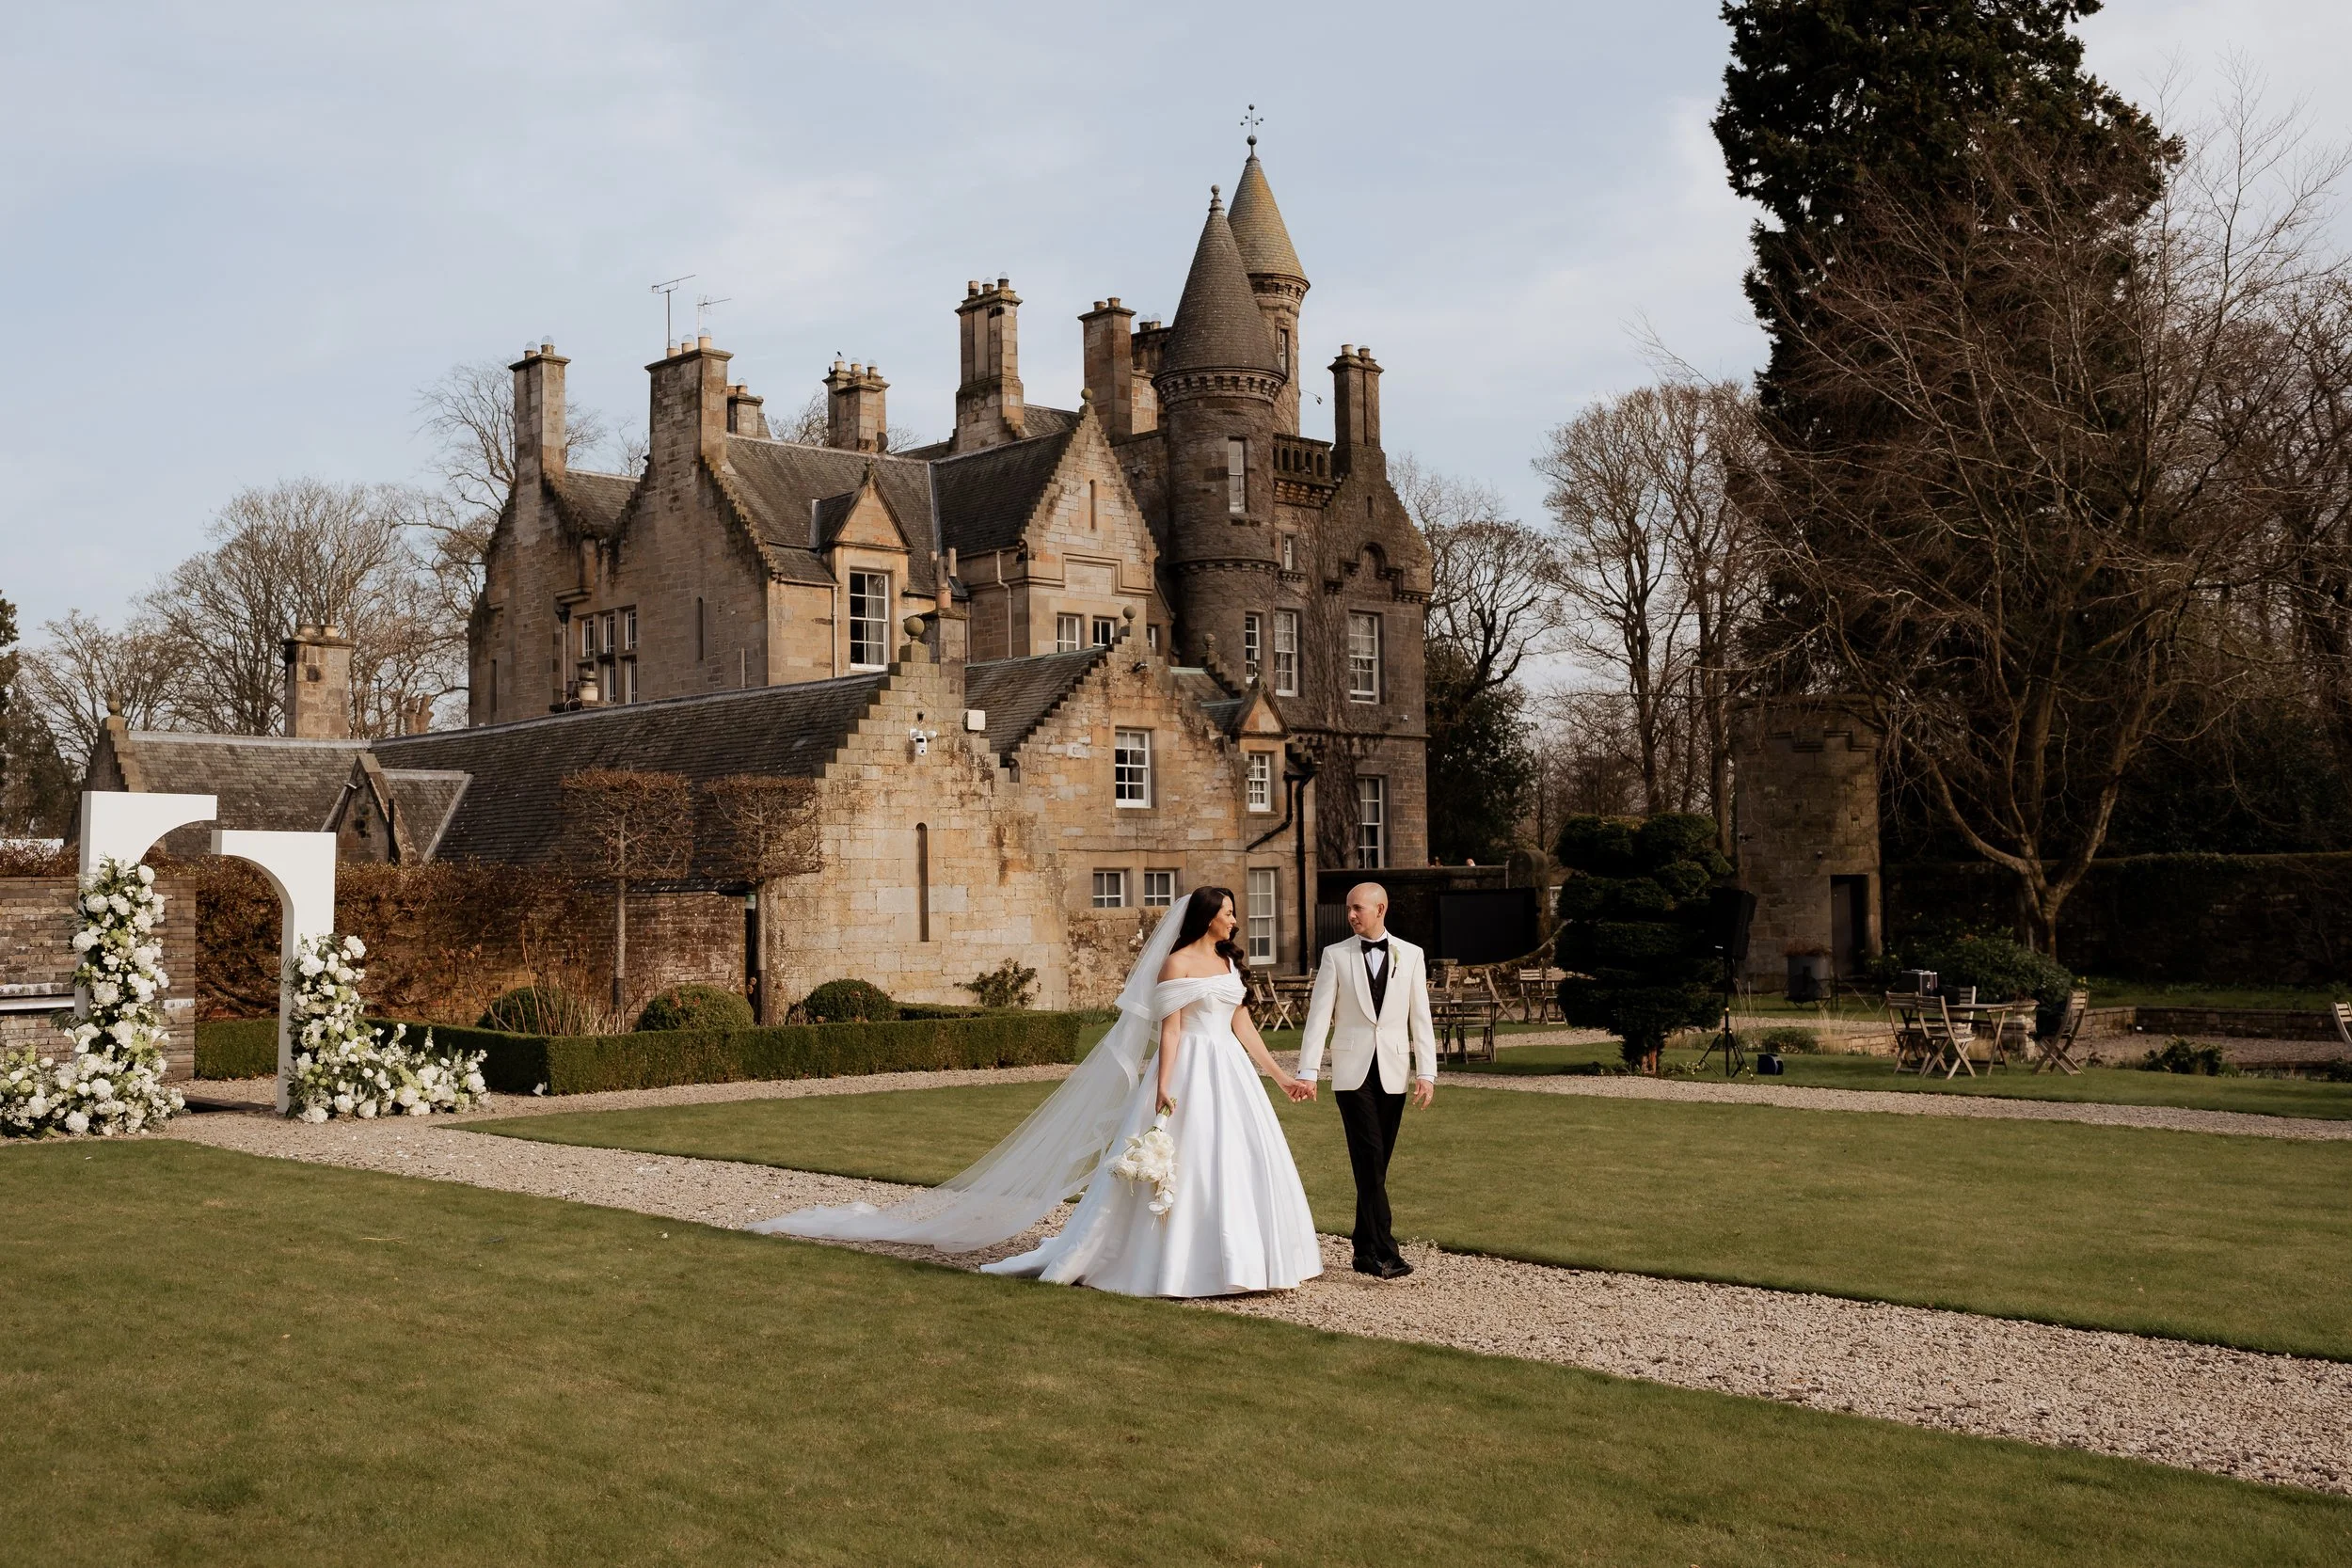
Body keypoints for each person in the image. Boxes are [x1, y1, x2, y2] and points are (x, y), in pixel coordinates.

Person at [755, 889, 1324, 1300]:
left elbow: (1242, 1027)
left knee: (1237, 1163)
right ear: (1207, 918)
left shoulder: (1228, 963)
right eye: (1227, 912)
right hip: (1190, 1071)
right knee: (1182, 1166)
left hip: (1230, 1074)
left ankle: (1250, 1261)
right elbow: (1171, 1033)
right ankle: (1174, 1266)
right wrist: (1164, 1090)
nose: (1234, 920)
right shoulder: (1176, 963)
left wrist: (1280, 1075)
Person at [1295, 881, 1436, 1279]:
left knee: (1376, 1163)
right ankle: (1385, 1250)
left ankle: (1361, 1247)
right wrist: (1308, 1071)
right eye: (1348, 908)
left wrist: (1427, 1072)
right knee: (1370, 1155)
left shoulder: (1411, 955)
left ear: (1381, 908)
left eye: (1358, 908)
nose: (1352, 915)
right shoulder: (1335, 955)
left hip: (1394, 1070)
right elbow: (1319, 1017)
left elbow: (1420, 1018)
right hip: (1350, 1072)